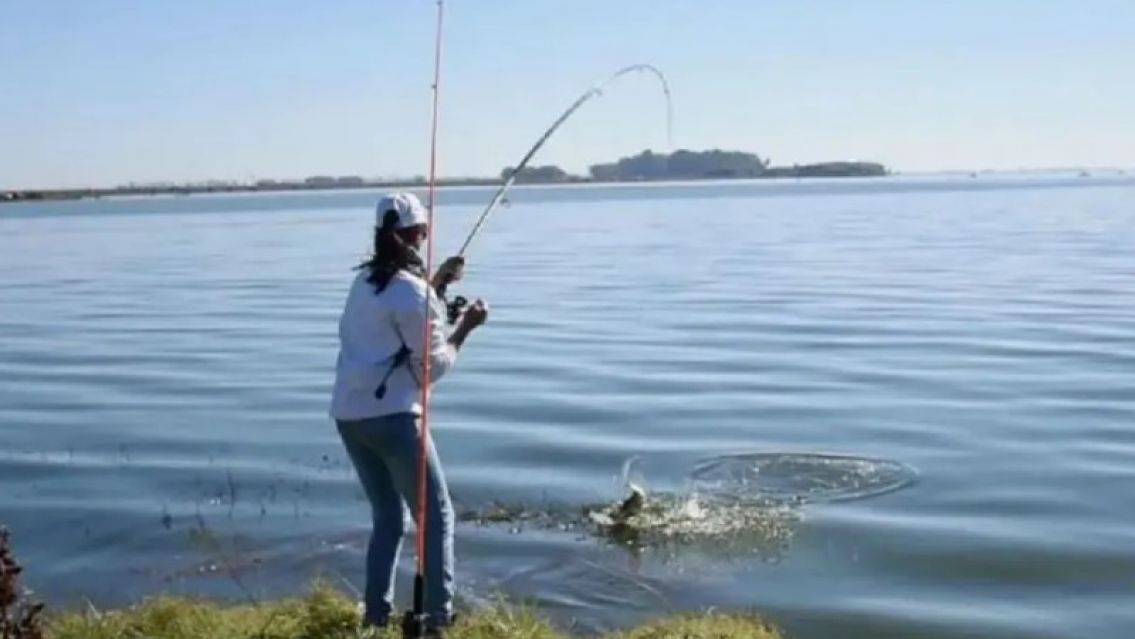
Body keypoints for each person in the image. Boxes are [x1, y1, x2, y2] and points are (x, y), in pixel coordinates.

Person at [330, 191, 488, 632]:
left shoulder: (363, 283)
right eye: (423, 230)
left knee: (387, 516)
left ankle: (375, 617)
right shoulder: (412, 293)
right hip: (395, 419)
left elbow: (400, 315)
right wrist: (466, 328)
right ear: (419, 233)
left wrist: (437, 285)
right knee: (436, 519)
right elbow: (431, 368)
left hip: (349, 416)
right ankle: (438, 620)